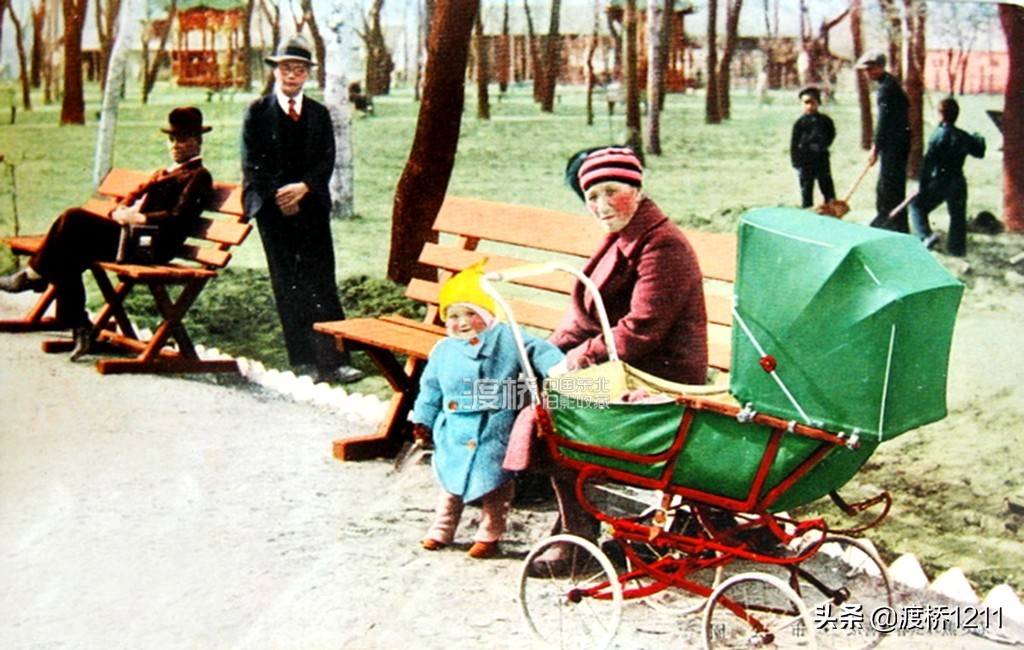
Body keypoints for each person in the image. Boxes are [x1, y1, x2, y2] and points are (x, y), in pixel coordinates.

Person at [530, 145, 709, 575]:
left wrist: (578, 360)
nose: (601, 204)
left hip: (659, 374)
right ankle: (571, 525)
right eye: (592, 196)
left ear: (637, 188)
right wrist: (544, 351)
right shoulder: (624, 236)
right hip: (628, 365)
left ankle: (576, 539)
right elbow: (586, 317)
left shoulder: (661, 244)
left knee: (559, 407)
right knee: (529, 387)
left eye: (612, 191)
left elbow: (642, 328)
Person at [0, 107, 214, 360]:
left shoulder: (198, 176)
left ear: (197, 141)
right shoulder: (166, 172)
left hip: (152, 244)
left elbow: (180, 219)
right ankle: (80, 326)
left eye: (183, 139)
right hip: (131, 235)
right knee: (70, 249)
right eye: (172, 138)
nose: (175, 145)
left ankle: (34, 276)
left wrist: (140, 217)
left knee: (73, 219)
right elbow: (137, 198)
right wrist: (122, 210)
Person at [411, 262, 564, 559]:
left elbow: (537, 350)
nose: (462, 323)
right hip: (455, 427)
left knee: (495, 481)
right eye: (453, 316)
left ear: (488, 314)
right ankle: (442, 527)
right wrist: (423, 419)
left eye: (471, 314)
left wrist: (557, 368)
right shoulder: (443, 350)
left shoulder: (507, 338)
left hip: (494, 425)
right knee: (452, 478)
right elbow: (430, 389)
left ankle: (490, 533)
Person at [241, 35, 363, 385]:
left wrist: (304, 187)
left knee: (321, 280)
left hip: (310, 205)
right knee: (288, 283)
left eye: (299, 69)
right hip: (271, 208)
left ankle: (335, 361)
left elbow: (326, 159)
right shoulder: (257, 112)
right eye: (285, 68)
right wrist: (280, 195)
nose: (292, 75)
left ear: (307, 74)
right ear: (275, 71)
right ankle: (304, 360)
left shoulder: (318, 114)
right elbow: (252, 163)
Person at [909, 98, 986, 257]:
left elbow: (928, 164)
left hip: (940, 180)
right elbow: (979, 152)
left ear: (940, 115)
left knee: (917, 206)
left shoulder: (937, 136)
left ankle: (926, 235)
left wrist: (922, 185)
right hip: (958, 180)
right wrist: (979, 137)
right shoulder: (962, 136)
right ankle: (957, 250)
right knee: (957, 217)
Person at [857, 51, 911, 233]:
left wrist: (875, 147)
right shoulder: (890, 83)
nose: (867, 73)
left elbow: (884, 121)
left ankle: (887, 223)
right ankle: (895, 224)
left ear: (879, 67)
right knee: (892, 186)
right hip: (899, 143)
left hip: (894, 145)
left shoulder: (886, 89)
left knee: (888, 187)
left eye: (870, 69)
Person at [790, 87, 837, 209]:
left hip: (821, 159)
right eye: (806, 103)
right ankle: (807, 209)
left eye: (812, 103)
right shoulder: (800, 123)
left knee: (826, 185)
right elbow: (794, 143)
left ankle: (831, 207)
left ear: (818, 103)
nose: (809, 106)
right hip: (805, 161)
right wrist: (796, 161)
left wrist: (822, 145)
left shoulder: (825, 121)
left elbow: (831, 135)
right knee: (806, 188)